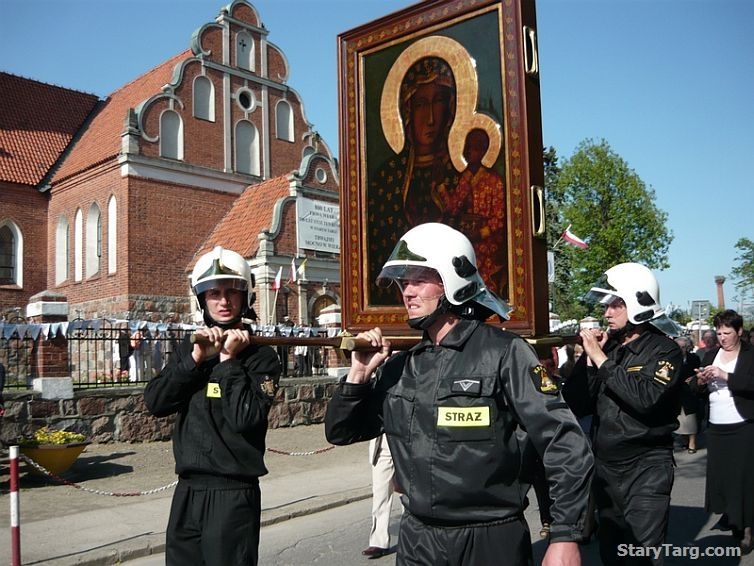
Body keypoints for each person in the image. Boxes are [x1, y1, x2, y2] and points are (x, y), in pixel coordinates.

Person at [326, 223, 593, 566]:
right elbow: (342, 431)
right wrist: (358, 378)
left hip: (489, 539)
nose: (407, 292)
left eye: (419, 279)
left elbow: (565, 443)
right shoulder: (400, 367)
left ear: (453, 279)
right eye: (404, 282)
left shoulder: (503, 353)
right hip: (418, 540)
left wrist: (566, 534)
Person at [144, 246, 281, 566]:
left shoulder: (262, 358)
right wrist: (193, 361)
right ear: (201, 299)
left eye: (232, 292)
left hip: (232, 496)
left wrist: (227, 362)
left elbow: (246, 418)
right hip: (188, 492)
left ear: (245, 297)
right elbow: (155, 402)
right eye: (213, 293)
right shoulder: (191, 348)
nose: (223, 300)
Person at [563, 262, 683, 566]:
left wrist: (602, 361)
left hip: (646, 467)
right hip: (607, 469)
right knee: (612, 553)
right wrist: (589, 364)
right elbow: (575, 403)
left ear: (639, 304)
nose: (607, 313)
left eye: (616, 304)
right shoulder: (610, 349)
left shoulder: (663, 350)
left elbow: (646, 398)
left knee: (641, 552)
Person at [368, 57, 460, 305]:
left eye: (438, 101)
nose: (430, 118)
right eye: (420, 104)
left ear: (451, 106)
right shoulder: (388, 177)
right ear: (407, 110)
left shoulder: (463, 173)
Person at [692, 309, 754, 554]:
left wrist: (724, 375)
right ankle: (733, 518)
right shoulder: (709, 354)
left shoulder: (750, 355)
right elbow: (696, 390)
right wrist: (699, 381)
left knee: (745, 478)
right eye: (719, 332)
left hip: (743, 424)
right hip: (716, 427)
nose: (722, 337)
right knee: (724, 478)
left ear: (739, 332)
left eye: (727, 332)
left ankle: (748, 527)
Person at [438, 128, 506, 296]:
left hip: (486, 243)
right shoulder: (464, 178)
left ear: (483, 150)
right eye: (467, 147)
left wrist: (480, 233)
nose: (468, 151)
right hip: (465, 238)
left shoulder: (494, 180)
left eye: (474, 147)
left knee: (485, 281)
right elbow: (452, 208)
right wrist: (440, 187)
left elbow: (499, 217)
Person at [362, 433, 399, 559]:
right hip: (383, 441)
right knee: (380, 493)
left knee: (408, 494)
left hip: (407, 440)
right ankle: (378, 542)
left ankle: (412, 538)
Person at [674, 335, 701, 453]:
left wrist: (694, 377)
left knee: (691, 419)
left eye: (683, 347)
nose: (681, 349)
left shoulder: (693, 358)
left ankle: (692, 444)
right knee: (680, 421)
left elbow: (699, 371)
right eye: (679, 347)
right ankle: (685, 441)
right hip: (677, 393)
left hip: (690, 392)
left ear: (688, 347)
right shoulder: (673, 358)